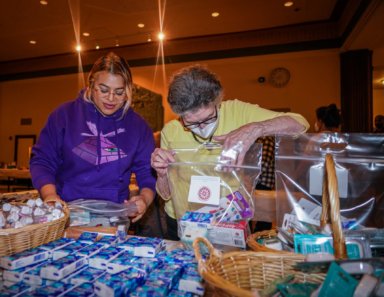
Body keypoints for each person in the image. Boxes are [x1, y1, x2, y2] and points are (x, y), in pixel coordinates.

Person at [151, 65, 310, 240]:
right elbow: (165, 194)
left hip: (230, 217)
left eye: (208, 118)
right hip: (183, 220)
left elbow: (300, 124)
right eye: (190, 123)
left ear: (217, 102)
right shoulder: (171, 131)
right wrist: (162, 174)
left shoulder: (237, 111)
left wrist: (256, 129)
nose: (201, 128)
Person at [30, 52, 156, 223]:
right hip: (65, 210)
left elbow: (147, 173)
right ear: (91, 84)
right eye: (103, 90)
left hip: (114, 214)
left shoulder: (138, 126)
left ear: (128, 90)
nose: (111, 98)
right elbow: (43, 161)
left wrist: (144, 199)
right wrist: (50, 195)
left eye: (119, 92)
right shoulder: (64, 115)